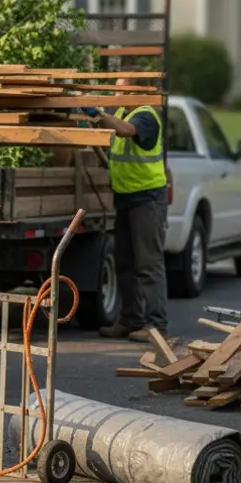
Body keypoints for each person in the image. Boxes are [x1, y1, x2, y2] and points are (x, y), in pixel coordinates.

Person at [83, 82, 168, 344]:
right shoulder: (123, 111)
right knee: (125, 263)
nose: (116, 95)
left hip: (147, 199)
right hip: (126, 197)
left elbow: (124, 131)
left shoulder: (146, 116)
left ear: (136, 91)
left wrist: (98, 114)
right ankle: (131, 320)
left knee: (148, 264)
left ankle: (157, 325)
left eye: (121, 90)